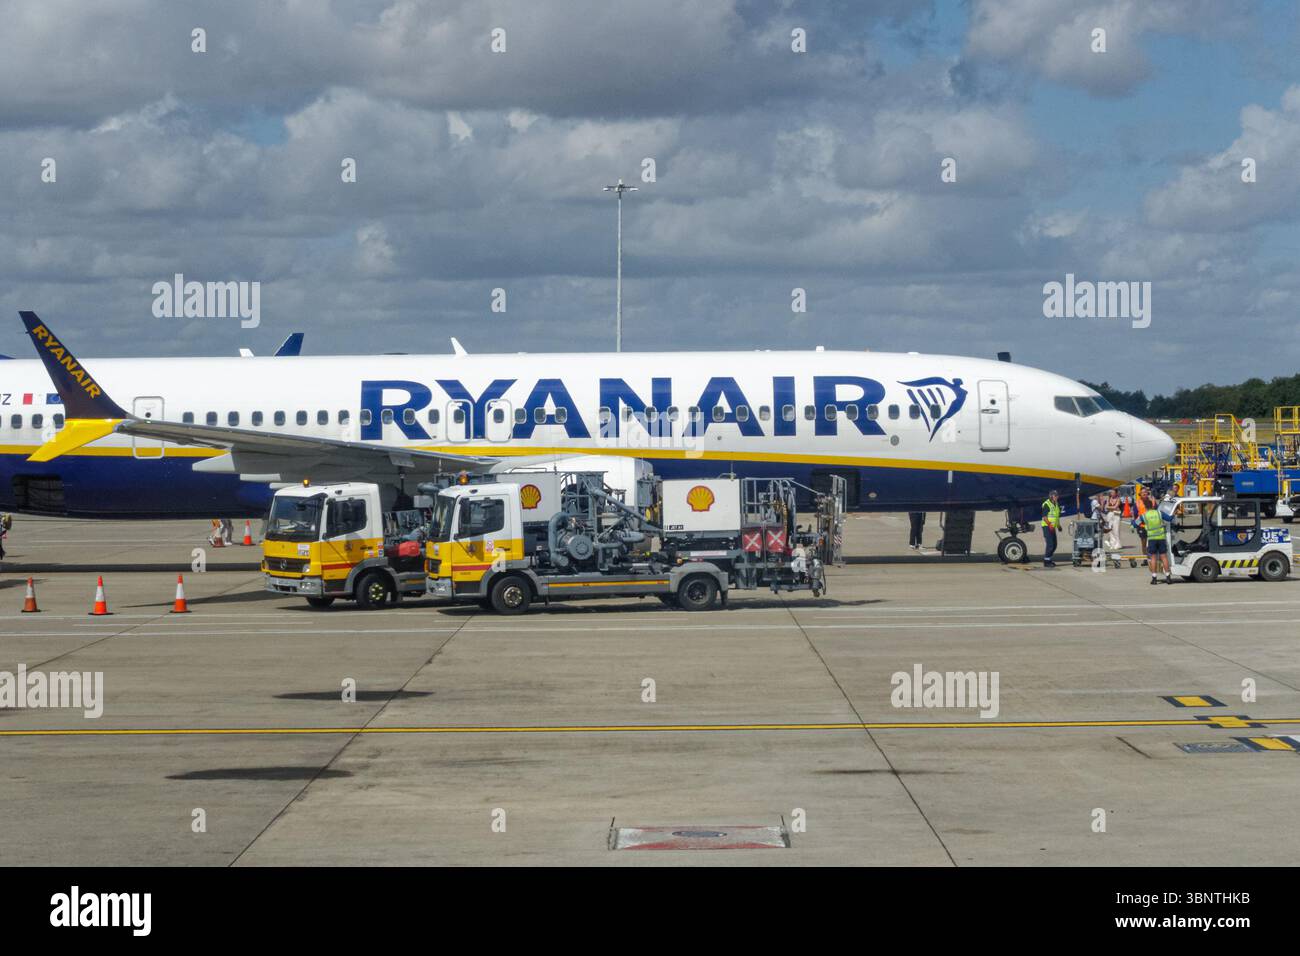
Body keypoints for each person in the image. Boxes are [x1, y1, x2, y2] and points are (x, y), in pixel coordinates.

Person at [1142, 493, 1173, 584]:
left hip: (1152, 539)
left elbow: (1135, 523)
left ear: (1145, 506)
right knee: (1164, 557)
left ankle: (1154, 578)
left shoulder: (1144, 516)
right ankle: (1168, 577)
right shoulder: (1159, 513)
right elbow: (1170, 518)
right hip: (1161, 538)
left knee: (1153, 558)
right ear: (1152, 505)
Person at [1040, 489, 1062, 567]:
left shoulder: (1056, 504)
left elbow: (1056, 516)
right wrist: (1049, 525)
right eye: (1055, 495)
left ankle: (1048, 559)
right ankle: (1046, 561)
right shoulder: (1047, 504)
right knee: (1050, 544)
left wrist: (1058, 526)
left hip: (1052, 527)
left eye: (1057, 495)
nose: (1057, 497)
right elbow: (1045, 517)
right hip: (1047, 526)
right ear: (1051, 496)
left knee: (1055, 545)